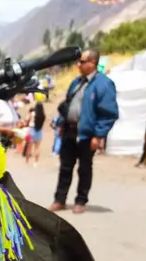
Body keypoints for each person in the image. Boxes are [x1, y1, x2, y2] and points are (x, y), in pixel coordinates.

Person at [50, 49, 119, 214]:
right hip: (69, 131)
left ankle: (81, 200)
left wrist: (99, 135)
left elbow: (109, 113)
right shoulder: (76, 83)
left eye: (82, 61)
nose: (78, 65)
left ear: (92, 63)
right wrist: (61, 124)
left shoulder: (104, 84)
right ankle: (60, 200)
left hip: (87, 134)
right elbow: (67, 105)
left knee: (84, 168)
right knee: (65, 167)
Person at [28, 96, 46, 165]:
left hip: (32, 129)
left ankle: (27, 161)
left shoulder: (33, 114)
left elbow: (28, 120)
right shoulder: (43, 115)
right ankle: (36, 162)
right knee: (37, 147)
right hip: (39, 130)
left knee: (29, 147)